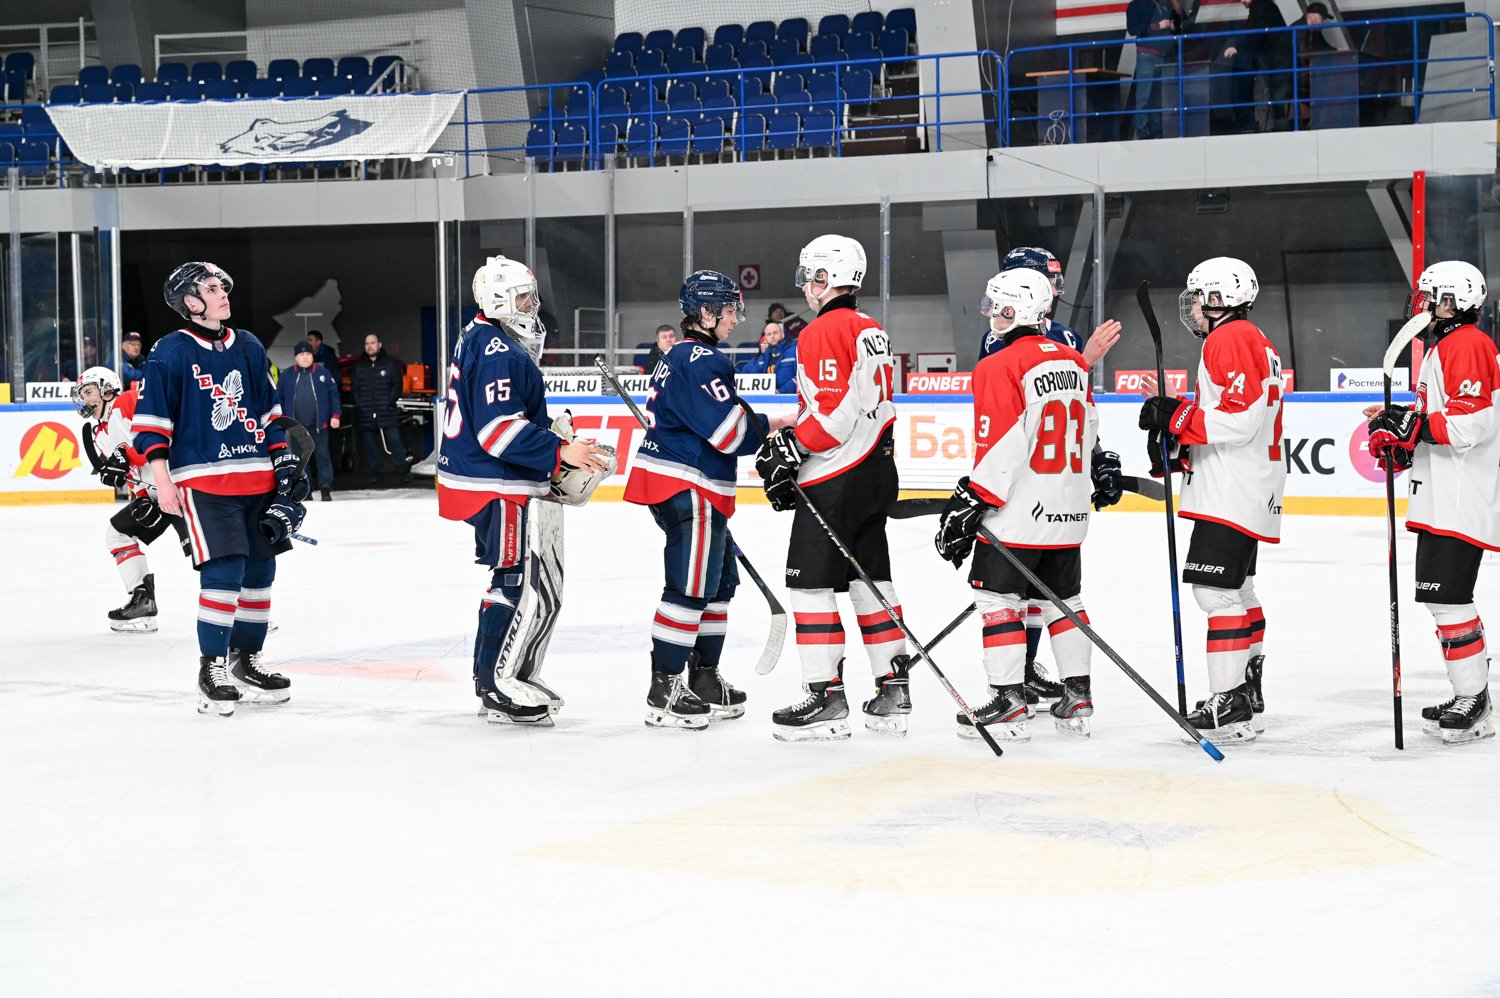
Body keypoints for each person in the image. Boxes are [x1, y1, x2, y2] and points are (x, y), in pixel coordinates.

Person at [437, 255, 614, 725]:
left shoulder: (481, 336)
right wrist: (561, 451)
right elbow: (497, 431)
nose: (531, 306)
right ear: (498, 300)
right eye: (522, 298)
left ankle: (506, 675)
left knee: (520, 577)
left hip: (485, 476)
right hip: (494, 481)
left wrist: (552, 434)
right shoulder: (498, 350)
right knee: (513, 577)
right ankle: (494, 684)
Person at [934, 268, 1106, 741]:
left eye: (997, 305)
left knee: (998, 599)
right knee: (1063, 601)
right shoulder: (1072, 361)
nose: (990, 313)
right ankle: (1077, 694)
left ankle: (1008, 698)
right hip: (1068, 512)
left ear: (1015, 310)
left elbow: (1000, 446)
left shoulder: (999, 365)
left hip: (1019, 514)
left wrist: (972, 500)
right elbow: (1090, 428)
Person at [132, 262, 308, 716]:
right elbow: (151, 425)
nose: (223, 294)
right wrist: (163, 482)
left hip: (257, 479)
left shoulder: (248, 344)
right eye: (211, 289)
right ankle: (211, 669)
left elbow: (269, 413)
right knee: (225, 573)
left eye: (222, 287)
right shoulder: (169, 351)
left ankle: (246, 660)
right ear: (191, 302)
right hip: (204, 483)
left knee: (260, 574)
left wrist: (283, 459)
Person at [755, 234, 912, 741]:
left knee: (810, 585)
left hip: (835, 476)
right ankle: (893, 689)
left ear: (827, 278)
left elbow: (832, 417)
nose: (805, 284)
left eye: (810, 275)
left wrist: (792, 446)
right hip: (876, 470)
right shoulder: (871, 328)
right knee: (872, 581)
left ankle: (824, 696)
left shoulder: (823, 329)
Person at [624, 271, 794, 729]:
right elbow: (730, 434)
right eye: (730, 310)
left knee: (717, 585)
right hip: (688, 485)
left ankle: (703, 679)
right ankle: (665, 688)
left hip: (695, 485)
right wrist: (777, 422)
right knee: (689, 586)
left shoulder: (684, 356)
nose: (736, 319)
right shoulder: (701, 360)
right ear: (705, 312)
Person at [1137, 257, 1285, 742]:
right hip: (1246, 484)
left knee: (1215, 594)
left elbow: (1239, 421)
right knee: (1238, 591)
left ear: (1219, 299)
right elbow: (1230, 412)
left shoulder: (1230, 338)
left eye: (1199, 297)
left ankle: (1229, 699)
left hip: (1231, 488)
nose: (1194, 307)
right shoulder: (1251, 339)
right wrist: (1180, 417)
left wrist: (1177, 419)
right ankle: (1246, 693)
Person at [981, 246, 1125, 705]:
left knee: (1018, 595)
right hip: (1042, 489)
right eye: (1050, 279)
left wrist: (1096, 458)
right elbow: (1032, 411)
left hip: (1034, 492)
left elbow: (1073, 415)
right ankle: (1038, 676)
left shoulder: (1058, 337)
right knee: (1044, 594)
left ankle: (1017, 682)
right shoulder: (1003, 338)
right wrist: (1083, 360)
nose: (1058, 289)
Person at [1366, 261, 1498, 745]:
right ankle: (1469, 692)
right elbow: (1438, 421)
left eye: (1429, 298)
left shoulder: (1467, 344)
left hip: (1460, 498)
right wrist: (1402, 431)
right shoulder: (1444, 347)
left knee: (1448, 599)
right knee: (1441, 599)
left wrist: (1415, 426)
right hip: (1443, 495)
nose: (1420, 306)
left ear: (1453, 302)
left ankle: (1475, 700)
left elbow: (1472, 422)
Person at [73, 366, 190, 633]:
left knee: (205, 551)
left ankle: (244, 609)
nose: (86, 399)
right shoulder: (99, 434)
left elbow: (156, 439)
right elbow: (131, 471)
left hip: (178, 485)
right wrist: (141, 498)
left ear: (107, 389)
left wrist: (125, 458)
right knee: (117, 535)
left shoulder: (128, 400)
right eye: (83, 394)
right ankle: (143, 603)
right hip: (155, 494)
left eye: (89, 391)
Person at [277, 341, 342, 501]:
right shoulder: (287, 375)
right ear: (296, 357)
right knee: (301, 459)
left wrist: (335, 415)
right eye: (301, 355)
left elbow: (333, 394)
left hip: (319, 425)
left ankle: (325, 487)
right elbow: (278, 398)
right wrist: (282, 419)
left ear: (313, 356)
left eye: (308, 354)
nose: (305, 357)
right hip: (296, 427)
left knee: (323, 456)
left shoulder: (323, 373)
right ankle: (306, 489)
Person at [1222, 0, 1292, 132]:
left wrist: (1238, 46)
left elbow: (1255, 33)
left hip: (1271, 61)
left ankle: (1267, 129)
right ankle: (1275, 128)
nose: (1242, 1)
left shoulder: (1260, 9)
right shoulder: (1264, 7)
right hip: (1277, 60)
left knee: (1264, 96)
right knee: (1274, 99)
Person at [351, 333, 408, 484]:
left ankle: (403, 471)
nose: (370, 346)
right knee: (371, 447)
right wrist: (361, 406)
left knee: (395, 442)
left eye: (372, 343)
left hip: (387, 412)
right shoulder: (359, 367)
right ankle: (376, 473)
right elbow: (355, 390)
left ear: (379, 345)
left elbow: (397, 385)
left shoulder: (390, 364)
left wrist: (389, 402)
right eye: (367, 343)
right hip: (366, 413)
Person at [1127, 0, 1180, 139]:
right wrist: (1158, 26)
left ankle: (1155, 132)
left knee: (1156, 99)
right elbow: (1132, 29)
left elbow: (1174, 28)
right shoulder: (1136, 4)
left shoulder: (1162, 5)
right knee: (1144, 97)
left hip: (1161, 56)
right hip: (1147, 55)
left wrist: (1171, 26)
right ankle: (1142, 133)